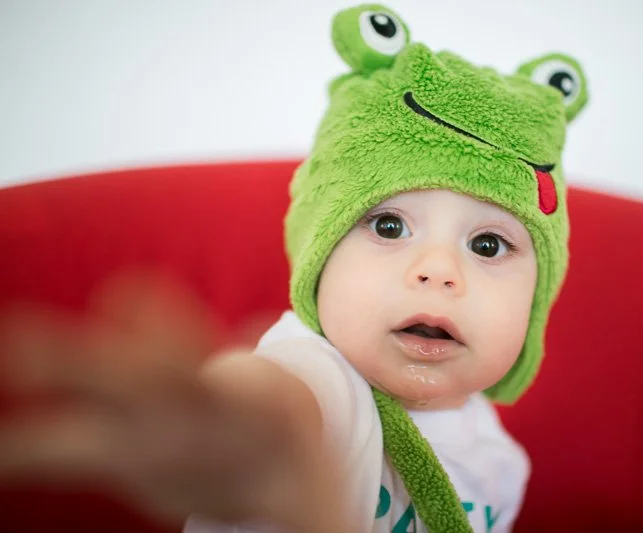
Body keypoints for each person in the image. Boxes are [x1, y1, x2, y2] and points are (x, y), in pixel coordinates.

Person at [0, 4, 588, 532]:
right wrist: (232, 426)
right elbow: (274, 405)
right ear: (319, 259)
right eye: (389, 226)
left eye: (488, 245)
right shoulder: (321, 383)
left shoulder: (499, 461)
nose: (438, 270)